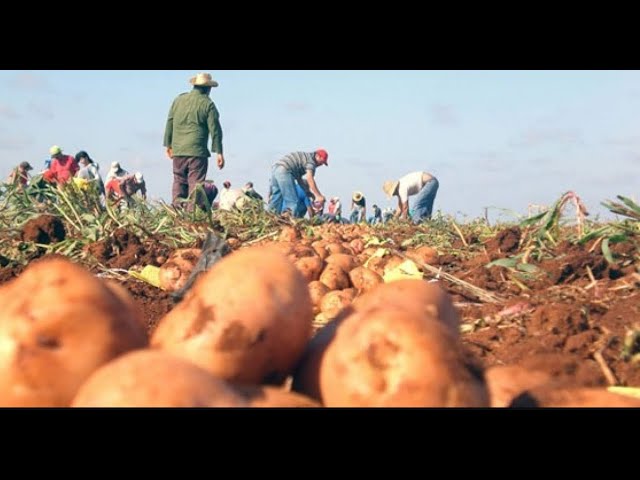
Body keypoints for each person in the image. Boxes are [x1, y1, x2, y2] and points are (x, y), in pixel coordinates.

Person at [164, 72, 225, 209]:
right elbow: (215, 129)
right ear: (208, 89)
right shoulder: (208, 104)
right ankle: (191, 217)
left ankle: (177, 213)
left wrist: (168, 145)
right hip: (197, 152)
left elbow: (170, 122)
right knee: (195, 185)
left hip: (178, 150)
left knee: (179, 181)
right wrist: (219, 152)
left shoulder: (178, 100)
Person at [268, 149, 328, 215]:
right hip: (285, 170)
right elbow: (309, 178)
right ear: (317, 156)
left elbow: (299, 179)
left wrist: (307, 192)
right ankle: (288, 222)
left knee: (276, 197)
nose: (321, 164)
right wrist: (318, 195)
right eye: (321, 162)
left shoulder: (305, 158)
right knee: (292, 202)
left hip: (276, 169)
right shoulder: (311, 161)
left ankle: (270, 218)